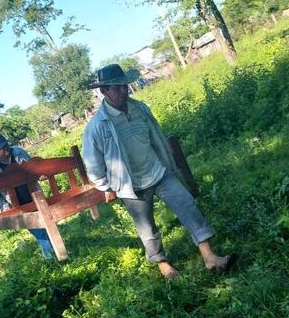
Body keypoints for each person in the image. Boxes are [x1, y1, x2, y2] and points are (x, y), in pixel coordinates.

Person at [82, 64, 235, 279]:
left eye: (124, 86)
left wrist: (167, 162)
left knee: (188, 206)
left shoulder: (140, 109)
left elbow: (156, 137)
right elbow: (93, 164)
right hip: (131, 186)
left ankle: (210, 257)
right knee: (147, 229)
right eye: (116, 88)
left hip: (158, 171)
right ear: (104, 91)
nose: (123, 91)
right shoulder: (98, 126)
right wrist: (107, 186)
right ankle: (165, 267)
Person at [0, 133, 55, 260]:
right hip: (15, 205)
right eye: (2, 148)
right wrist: (5, 208)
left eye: (6, 145)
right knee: (40, 229)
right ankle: (51, 258)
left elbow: (34, 169)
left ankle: (52, 256)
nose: (6, 149)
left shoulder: (19, 152)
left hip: (33, 196)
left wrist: (40, 175)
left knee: (47, 224)